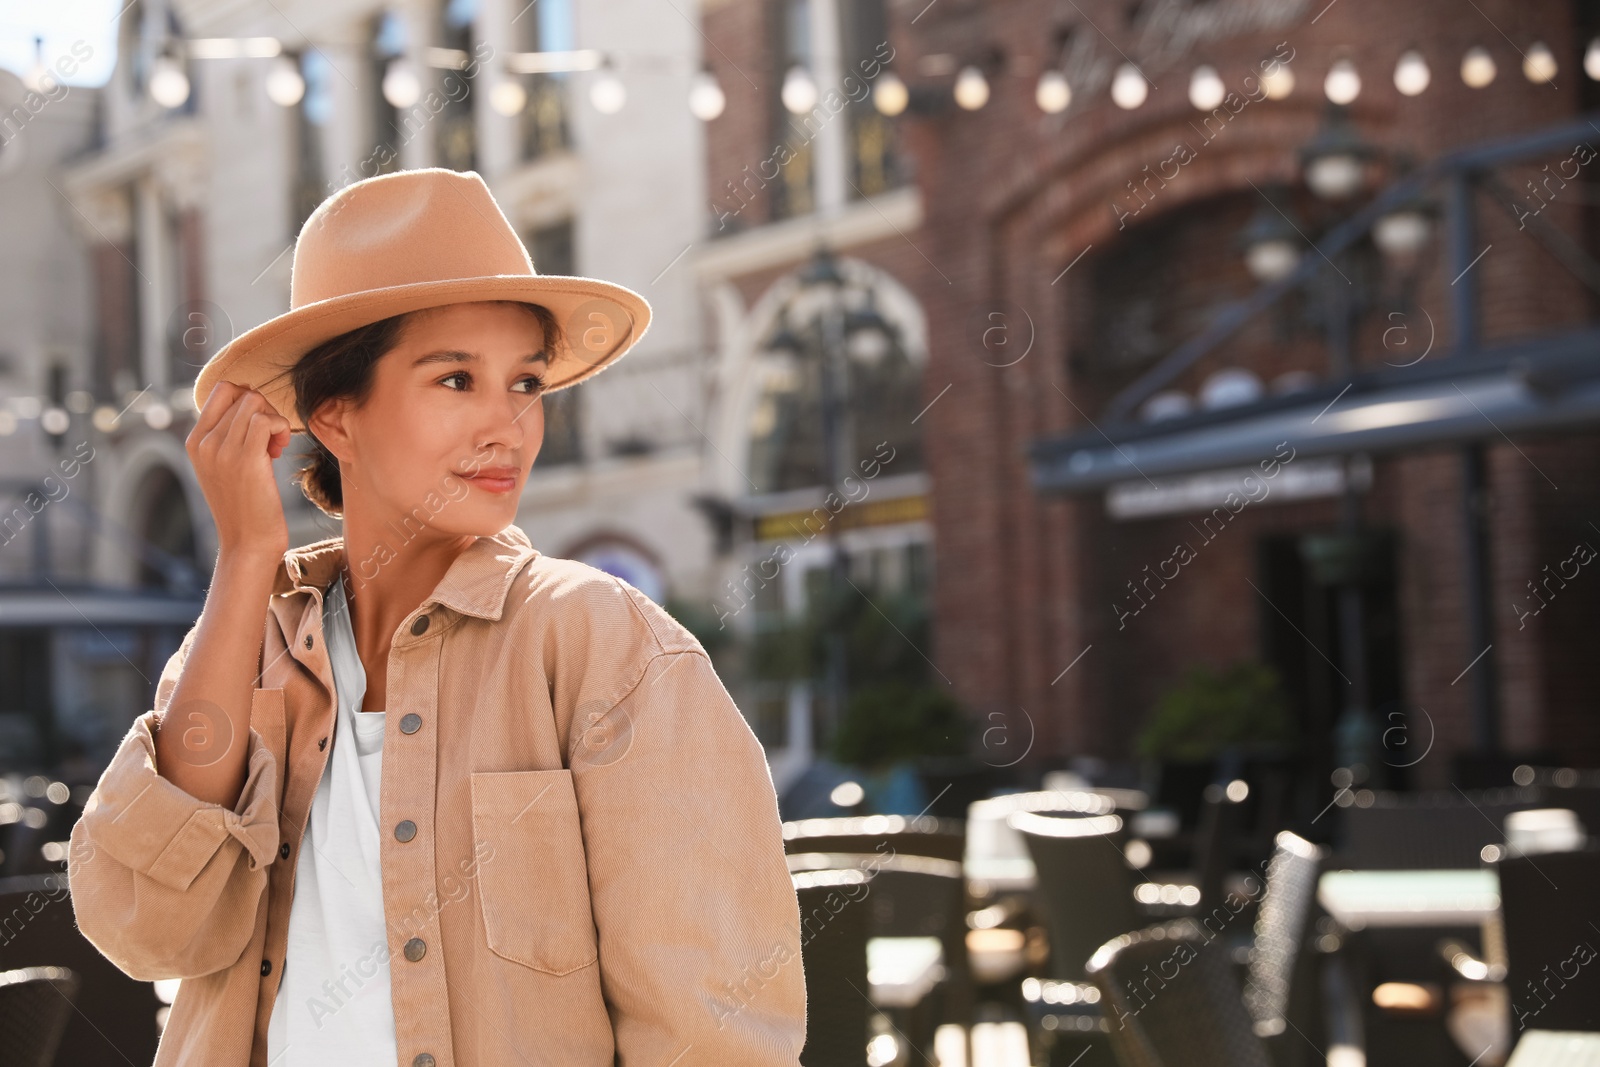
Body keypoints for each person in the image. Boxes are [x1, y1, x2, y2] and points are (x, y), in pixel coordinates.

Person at [66, 168, 807, 1066]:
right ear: (335, 416)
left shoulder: (603, 646)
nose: (509, 425)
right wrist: (243, 556)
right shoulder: (247, 643)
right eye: (457, 378)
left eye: (526, 381)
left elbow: (713, 1033)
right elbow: (147, 929)